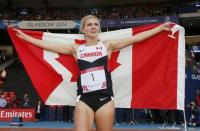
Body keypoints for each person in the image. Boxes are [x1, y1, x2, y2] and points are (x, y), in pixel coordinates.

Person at [13, 15, 172, 131]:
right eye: (89, 24)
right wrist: (25, 37)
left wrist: (159, 28)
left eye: (96, 24)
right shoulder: (76, 49)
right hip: (84, 99)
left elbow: (136, 39)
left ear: (99, 28)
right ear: (83, 29)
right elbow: (48, 45)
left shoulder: (107, 46)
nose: (93, 26)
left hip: (105, 98)